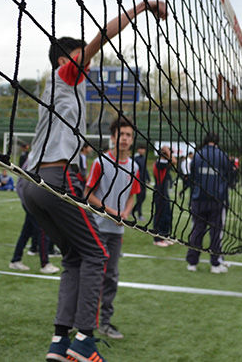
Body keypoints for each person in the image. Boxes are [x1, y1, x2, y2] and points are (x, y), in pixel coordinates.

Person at [19, 0, 166, 362]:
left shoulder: (61, 88)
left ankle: (60, 341)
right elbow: (102, 36)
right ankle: (85, 341)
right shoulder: (65, 75)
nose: (87, 59)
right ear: (64, 59)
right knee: (98, 253)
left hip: (30, 183)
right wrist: (144, 6)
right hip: (54, 178)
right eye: (79, 54)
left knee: (73, 256)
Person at [85, 116, 141, 339]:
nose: (125, 139)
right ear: (113, 137)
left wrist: (126, 213)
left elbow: (133, 196)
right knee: (91, 275)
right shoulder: (100, 162)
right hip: (97, 228)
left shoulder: (135, 166)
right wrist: (112, 212)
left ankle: (105, 323)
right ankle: (82, 321)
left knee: (112, 277)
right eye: (122, 135)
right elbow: (88, 195)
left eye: (129, 135)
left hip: (117, 232)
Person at [185, 132, 231, 274]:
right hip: (216, 200)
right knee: (215, 232)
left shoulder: (197, 155)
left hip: (198, 200)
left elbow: (192, 177)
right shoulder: (222, 156)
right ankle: (215, 264)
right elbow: (229, 177)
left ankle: (192, 263)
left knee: (197, 230)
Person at [152, 145, 175, 247]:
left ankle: (165, 236)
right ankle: (157, 239)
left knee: (167, 215)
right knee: (160, 216)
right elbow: (174, 161)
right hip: (159, 192)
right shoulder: (160, 163)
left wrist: (167, 151)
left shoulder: (164, 162)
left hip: (164, 193)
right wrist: (167, 151)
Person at [132, 145, 150, 222]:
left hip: (143, 181)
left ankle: (132, 211)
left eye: (143, 149)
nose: (142, 150)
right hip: (137, 181)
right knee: (139, 198)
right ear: (138, 150)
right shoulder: (135, 159)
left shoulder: (144, 158)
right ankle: (139, 215)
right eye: (140, 148)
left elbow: (145, 169)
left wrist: (148, 178)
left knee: (143, 197)